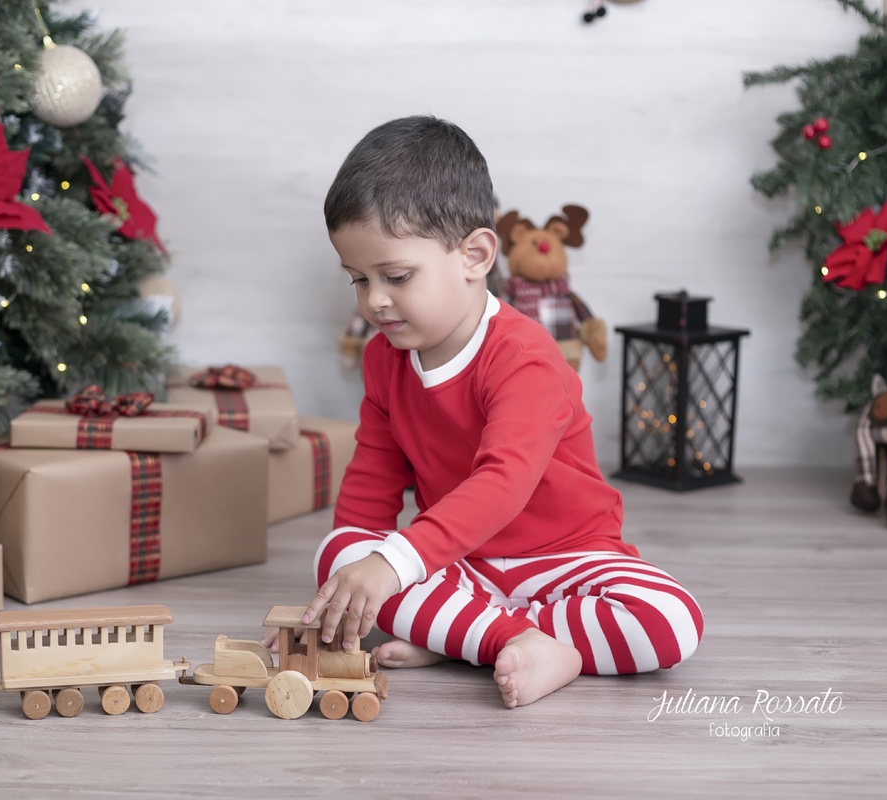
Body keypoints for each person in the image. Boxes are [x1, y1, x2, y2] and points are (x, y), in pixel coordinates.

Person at [265, 115, 703, 709]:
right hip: (459, 562)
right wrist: (337, 598)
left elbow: (502, 485)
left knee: (670, 621)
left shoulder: (525, 358)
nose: (374, 301)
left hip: (565, 557)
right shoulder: (384, 360)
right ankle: (504, 638)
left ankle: (478, 635)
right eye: (357, 280)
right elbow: (370, 487)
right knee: (338, 554)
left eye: (395, 276)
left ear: (475, 255)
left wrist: (392, 564)